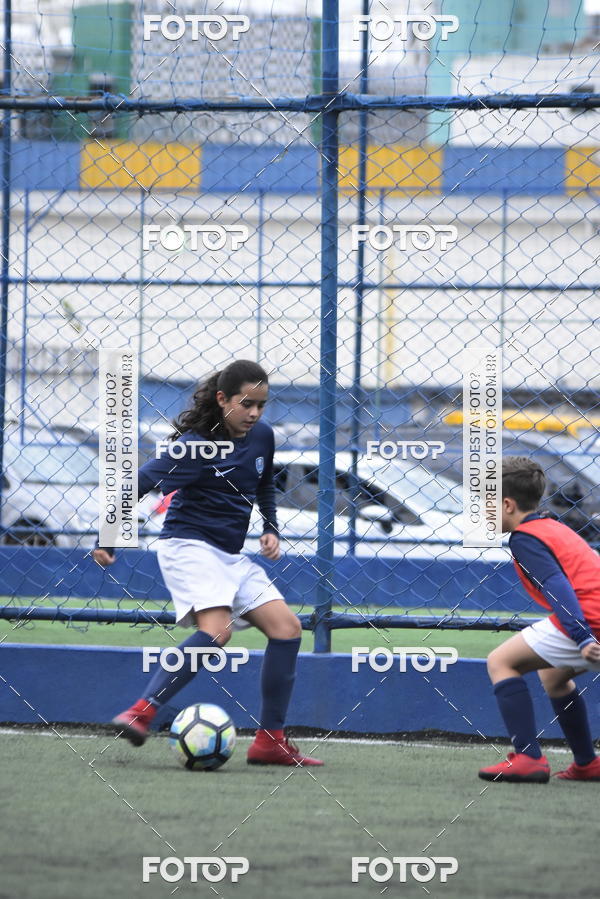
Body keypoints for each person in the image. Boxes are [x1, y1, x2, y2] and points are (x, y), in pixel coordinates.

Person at [93, 359, 323, 767]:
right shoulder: (194, 446)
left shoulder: (262, 437)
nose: (254, 413)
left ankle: (269, 742)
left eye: (261, 405)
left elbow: (264, 480)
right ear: (222, 399)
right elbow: (140, 483)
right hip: (188, 547)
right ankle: (142, 711)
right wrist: (108, 538)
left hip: (231, 556)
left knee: (287, 630)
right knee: (217, 634)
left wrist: (270, 526)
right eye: (246, 403)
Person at [478, 456, 600, 783]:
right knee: (554, 674)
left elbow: (559, 588)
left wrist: (583, 637)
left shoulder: (525, 538)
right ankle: (587, 763)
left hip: (590, 619)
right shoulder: (552, 527)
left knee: (501, 661)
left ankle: (528, 759)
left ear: (506, 504)